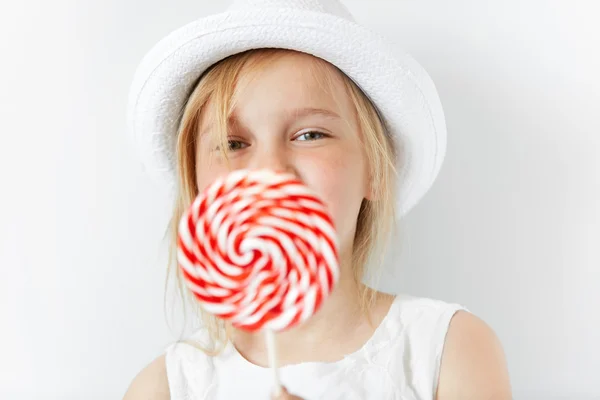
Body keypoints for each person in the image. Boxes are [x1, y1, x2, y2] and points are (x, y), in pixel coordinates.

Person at [123, 1, 512, 399]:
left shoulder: (448, 350)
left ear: (375, 172)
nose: (271, 171)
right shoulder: (166, 387)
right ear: (198, 186)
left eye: (310, 135)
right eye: (233, 143)